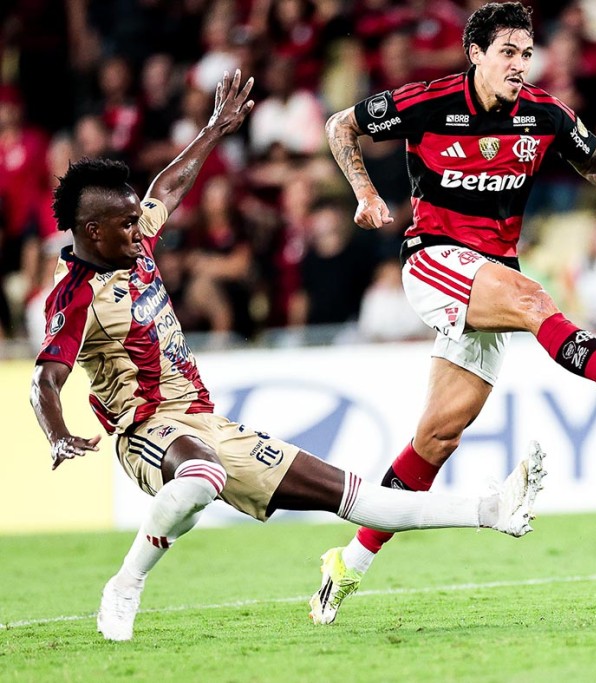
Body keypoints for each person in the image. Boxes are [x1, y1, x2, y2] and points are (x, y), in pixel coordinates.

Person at [28, 70, 546, 642]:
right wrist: (57, 433)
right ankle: (126, 584)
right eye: (128, 224)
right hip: (145, 427)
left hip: (204, 420)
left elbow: (168, 188)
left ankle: (490, 510)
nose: (141, 228)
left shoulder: (132, 240)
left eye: (137, 219)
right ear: (92, 231)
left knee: (357, 497)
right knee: (200, 476)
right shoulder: (75, 296)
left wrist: (215, 128)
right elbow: (45, 379)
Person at [322, 1, 596, 625]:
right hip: (433, 260)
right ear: (476, 54)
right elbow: (338, 126)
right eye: (507, 53)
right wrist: (365, 193)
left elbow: (592, 153)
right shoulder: (429, 102)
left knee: (437, 438)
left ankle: (346, 564)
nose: (519, 65)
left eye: (527, 54)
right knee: (535, 301)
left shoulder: (543, 114)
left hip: (492, 276)